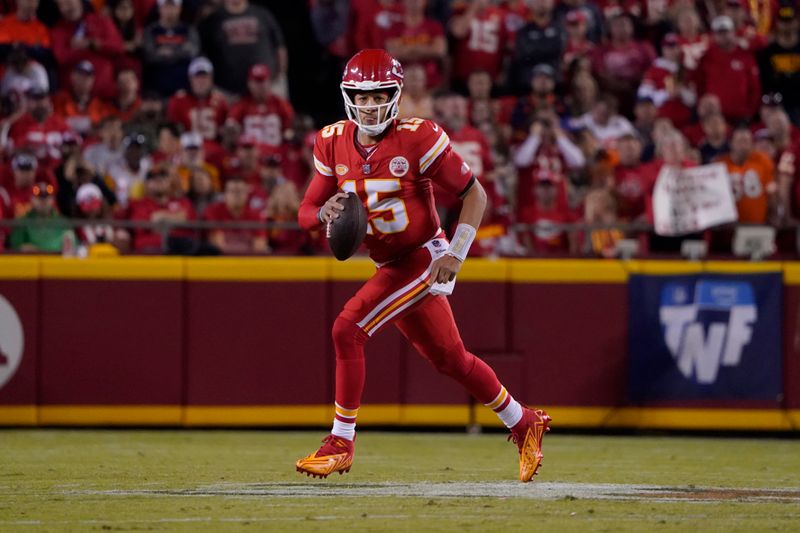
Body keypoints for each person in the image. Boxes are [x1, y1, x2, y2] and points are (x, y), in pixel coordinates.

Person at [295, 49, 550, 481]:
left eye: (380, 97)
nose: (371, 106)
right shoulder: (332, 139)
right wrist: (324, 213)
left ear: (395, 97)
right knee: (452, 360)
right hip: (390, 261)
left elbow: (475, 194)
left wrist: (457, 253)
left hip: (422, 257)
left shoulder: (418, 136)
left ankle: (340, 441)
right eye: (363, 96)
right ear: (348, 96)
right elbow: (305, 209)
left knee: (347, 329)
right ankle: (525, 422)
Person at [10, 181, 73, 253]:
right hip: (33, 262)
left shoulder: (63, 223)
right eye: (39, 197)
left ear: (52, 199)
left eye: (46, 196)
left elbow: (74, 246)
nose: (43, 200)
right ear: (32, 199)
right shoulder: (23, 222)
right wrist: (23, 248)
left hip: (59, 262)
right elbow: (14, 246)